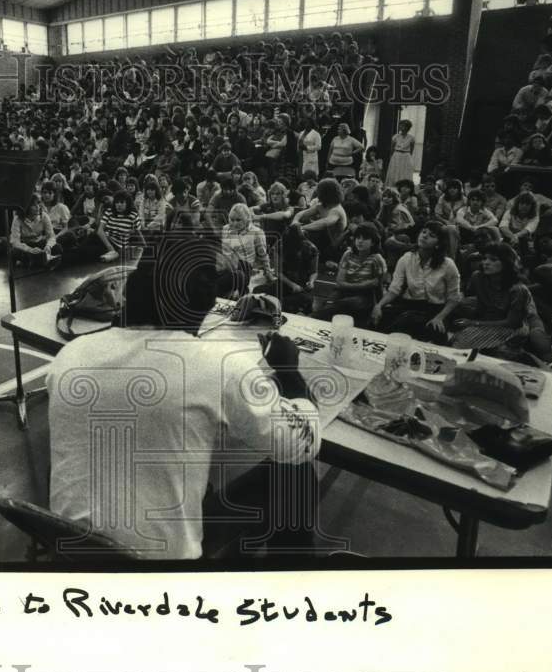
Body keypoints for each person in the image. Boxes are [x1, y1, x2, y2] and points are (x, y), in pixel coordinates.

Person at [46, 233, 321, 559]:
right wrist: (290, 374)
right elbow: (302, 445)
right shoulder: (218, 366)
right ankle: (289, 582)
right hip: (157, 574)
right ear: (204, 307)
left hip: (70, 553)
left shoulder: (70, 355)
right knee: (296, 474)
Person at [454, 243, 552, 364]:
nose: (486, 262)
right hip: (493, 319)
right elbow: (481, 308)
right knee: (458, 341)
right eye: (485, 258)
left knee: (539, 346)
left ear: (506, 263)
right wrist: (468, 322)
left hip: (520, 323)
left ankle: (521, 352)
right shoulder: (477, 278)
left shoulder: (518, 289)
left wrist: (474, 323)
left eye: (493, 260)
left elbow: (513, 323)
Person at [371, 221, 461, 345]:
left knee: (426, 328)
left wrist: (440, 317)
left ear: (439, 244)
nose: (424, 236)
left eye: (431, 235)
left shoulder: (448, 265)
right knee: (380, 318)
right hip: (410, 305)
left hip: (436, 310)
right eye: (423, 232)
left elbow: (454, 298)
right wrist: (379, 305)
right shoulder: (407, 258)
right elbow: (394, 289)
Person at [314, 223, 387, 328]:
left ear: (373, 242)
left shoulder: (377, 259)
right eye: (358, 238)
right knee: (328, 303)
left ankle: (311, 318)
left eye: (365, 239)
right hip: (345, 290)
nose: (360, 241)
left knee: (346, 303)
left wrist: (378, 307)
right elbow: (339, 283)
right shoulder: (348, 254)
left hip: (365, 295)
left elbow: (378, 287)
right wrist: (365, 284)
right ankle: (313, 321)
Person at [215, 203, 275, 298]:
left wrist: (268, 273)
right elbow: (223, 252)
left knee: (237, 274)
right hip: (226, 267)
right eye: (232, 219)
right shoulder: (225, 229)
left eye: (238, 220)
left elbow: (263, 255)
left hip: (243, 269)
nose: (234, 223)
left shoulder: (256, 232)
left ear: (247, 219)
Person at [385, 119, 415, 187]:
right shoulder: (395, 137)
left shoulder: (411, 138)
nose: (401, 127)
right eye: (400, 125)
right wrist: (393, 157)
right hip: (396, 156)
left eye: (403, 126)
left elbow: (412, 150)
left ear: (408, 127)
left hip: (406, 156)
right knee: (395, 172)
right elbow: (392, 148)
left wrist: (406, 156)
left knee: (404, 173)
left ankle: (403, 186)